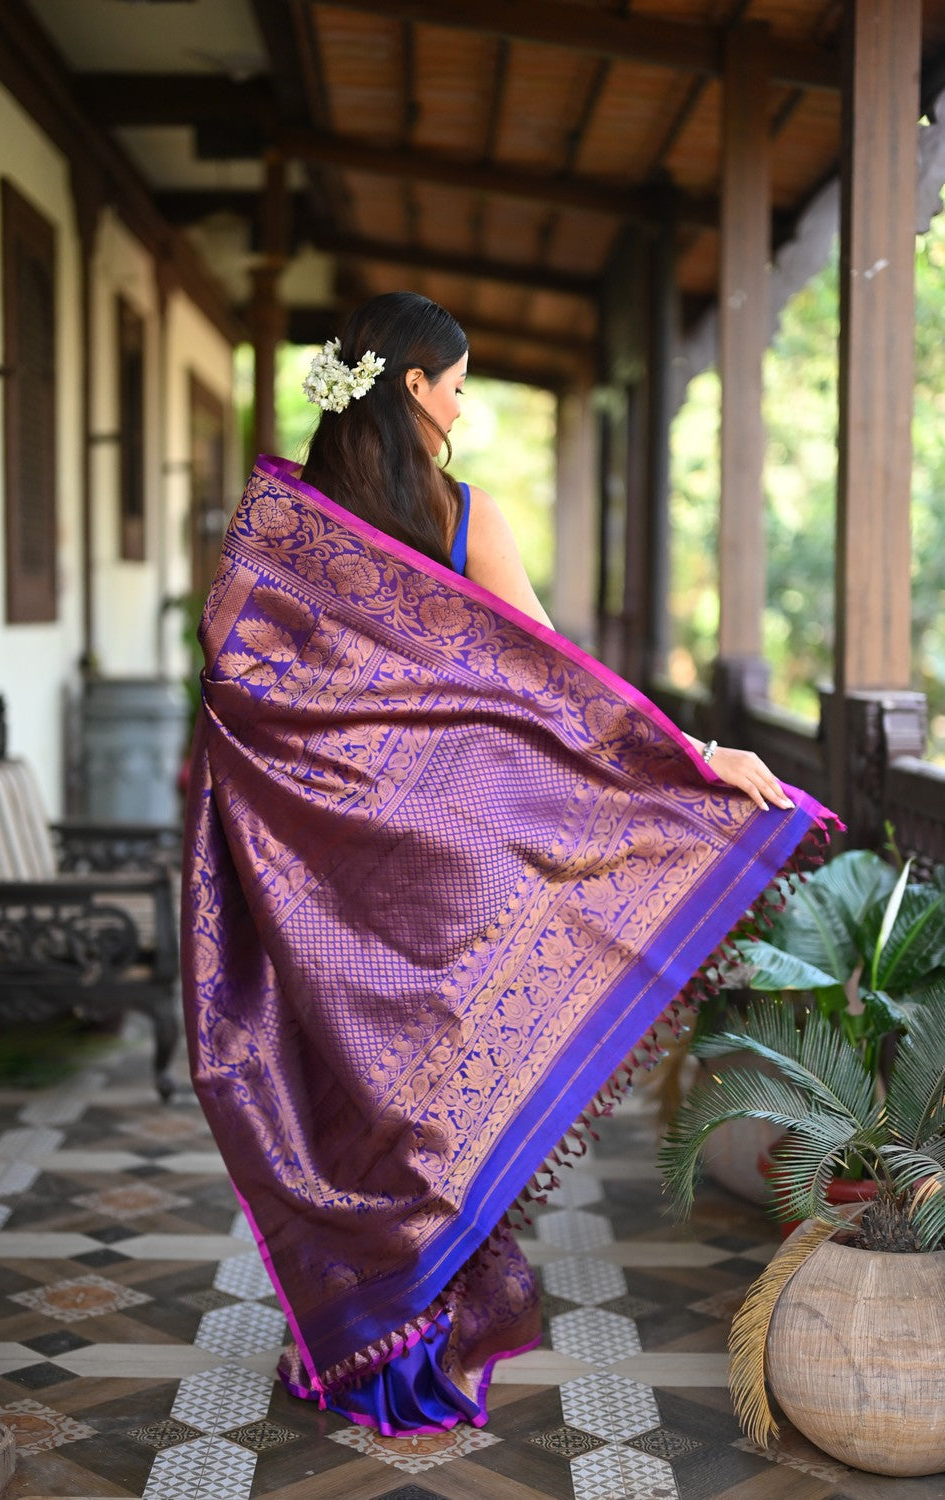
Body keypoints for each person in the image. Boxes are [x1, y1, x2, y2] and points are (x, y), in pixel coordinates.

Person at [181, 291, 836, 1438]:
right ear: (414, 388)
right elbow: (559, 685)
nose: (462, 404)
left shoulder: (277, 527)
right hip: (452, 866)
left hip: (325, 877)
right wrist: (691, 758)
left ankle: (363, 1327)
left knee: (351, 1092)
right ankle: (412, 1322)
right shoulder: (461, 516)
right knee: (436, 1095)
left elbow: (235, 681)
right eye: (457, 383)